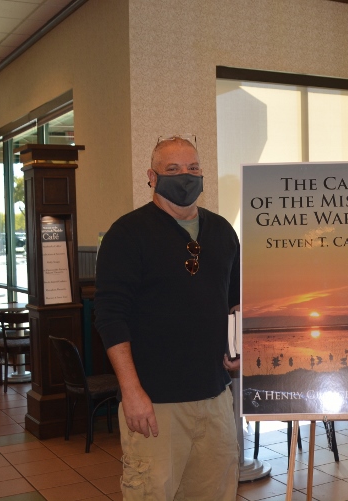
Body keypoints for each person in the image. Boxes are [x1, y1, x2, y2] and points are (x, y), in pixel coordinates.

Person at [95, 135, 241, 501]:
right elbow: (110, 316)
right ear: (152, 176)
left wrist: (235, 346)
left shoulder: (223, 232)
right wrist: (131, 391)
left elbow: (236, 302)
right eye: (173, 169)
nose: (185, 176)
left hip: (215, 398)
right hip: (155, 403)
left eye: (193, 168)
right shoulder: (127, 234)